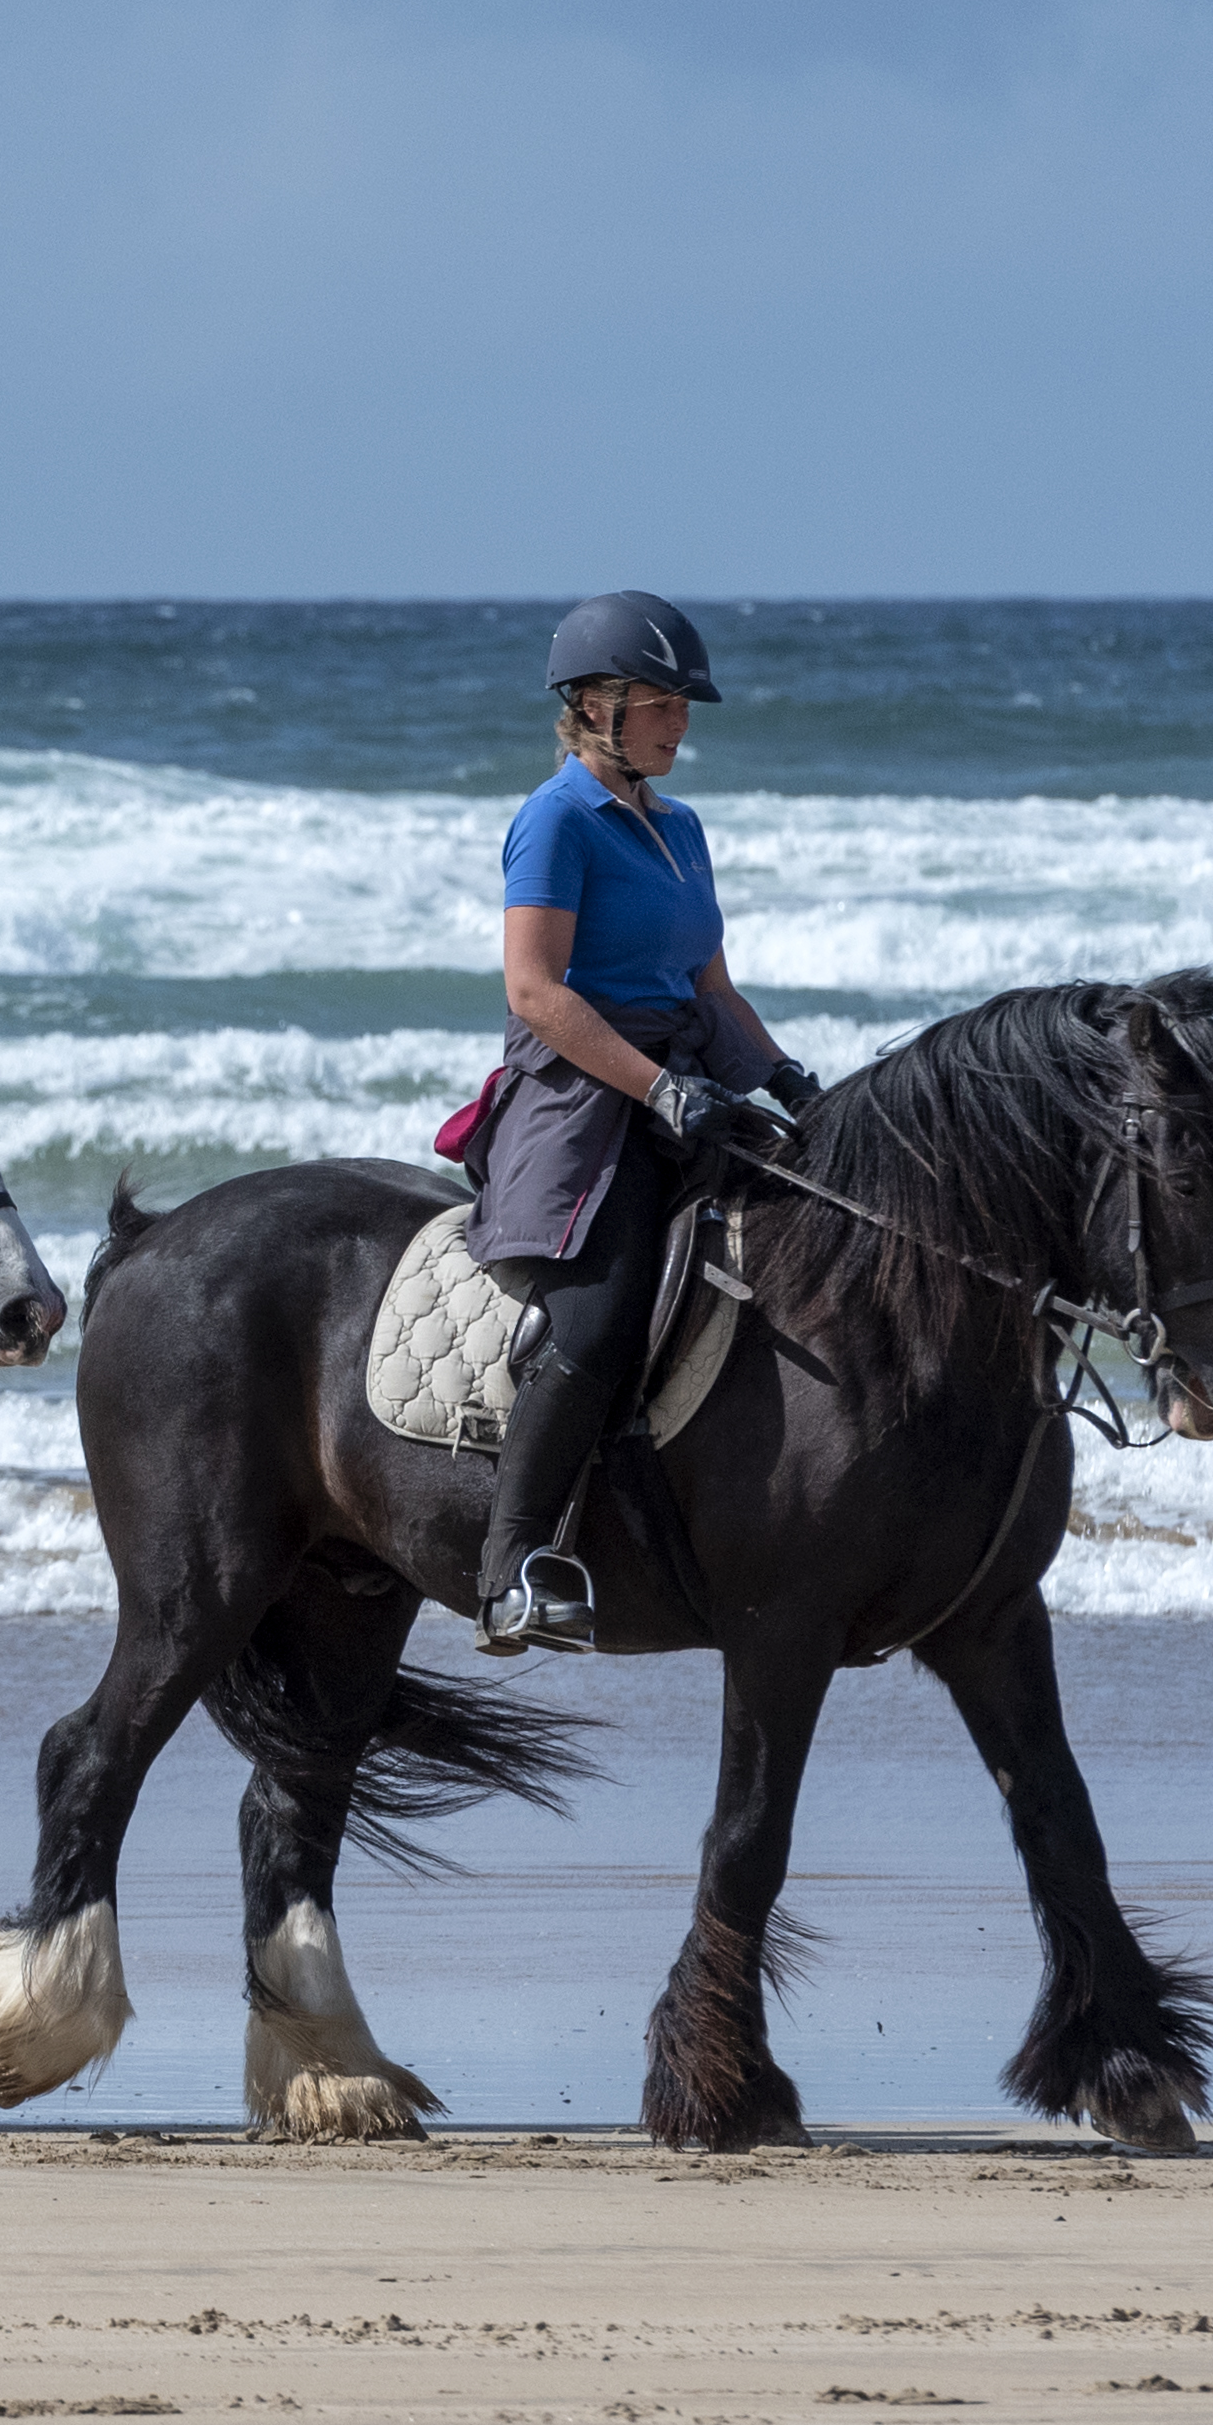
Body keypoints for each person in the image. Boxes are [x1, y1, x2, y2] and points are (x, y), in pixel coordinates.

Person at [462, 594, 820, 1655]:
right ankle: (509, 1569)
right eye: (659, 702)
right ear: (593, 706)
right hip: (582, 1098)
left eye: (681, 703)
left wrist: (788, 1081)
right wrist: (652, 1089)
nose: (679, 722)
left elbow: (710, 990)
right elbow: (534, 991)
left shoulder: (682, 830)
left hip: (689, 1083)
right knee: (602, 1313)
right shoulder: (554, 819)